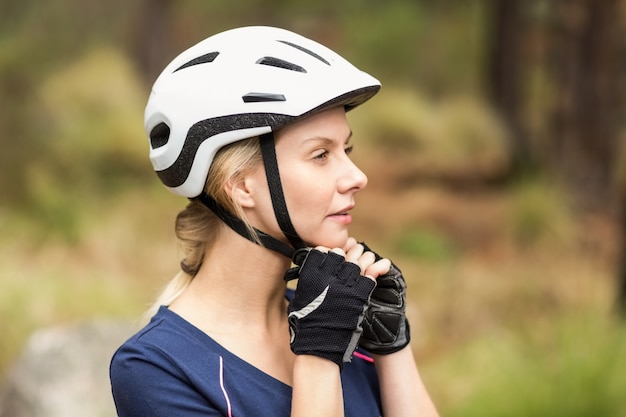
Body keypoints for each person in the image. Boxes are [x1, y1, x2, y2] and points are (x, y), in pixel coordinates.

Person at [110, 26, 439, 417]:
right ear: (241, 186)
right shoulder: (159, 368)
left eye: (346, 149)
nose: (357, 177)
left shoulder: (339, 313)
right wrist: (319, 353)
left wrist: (391, 347)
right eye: (321, 155)